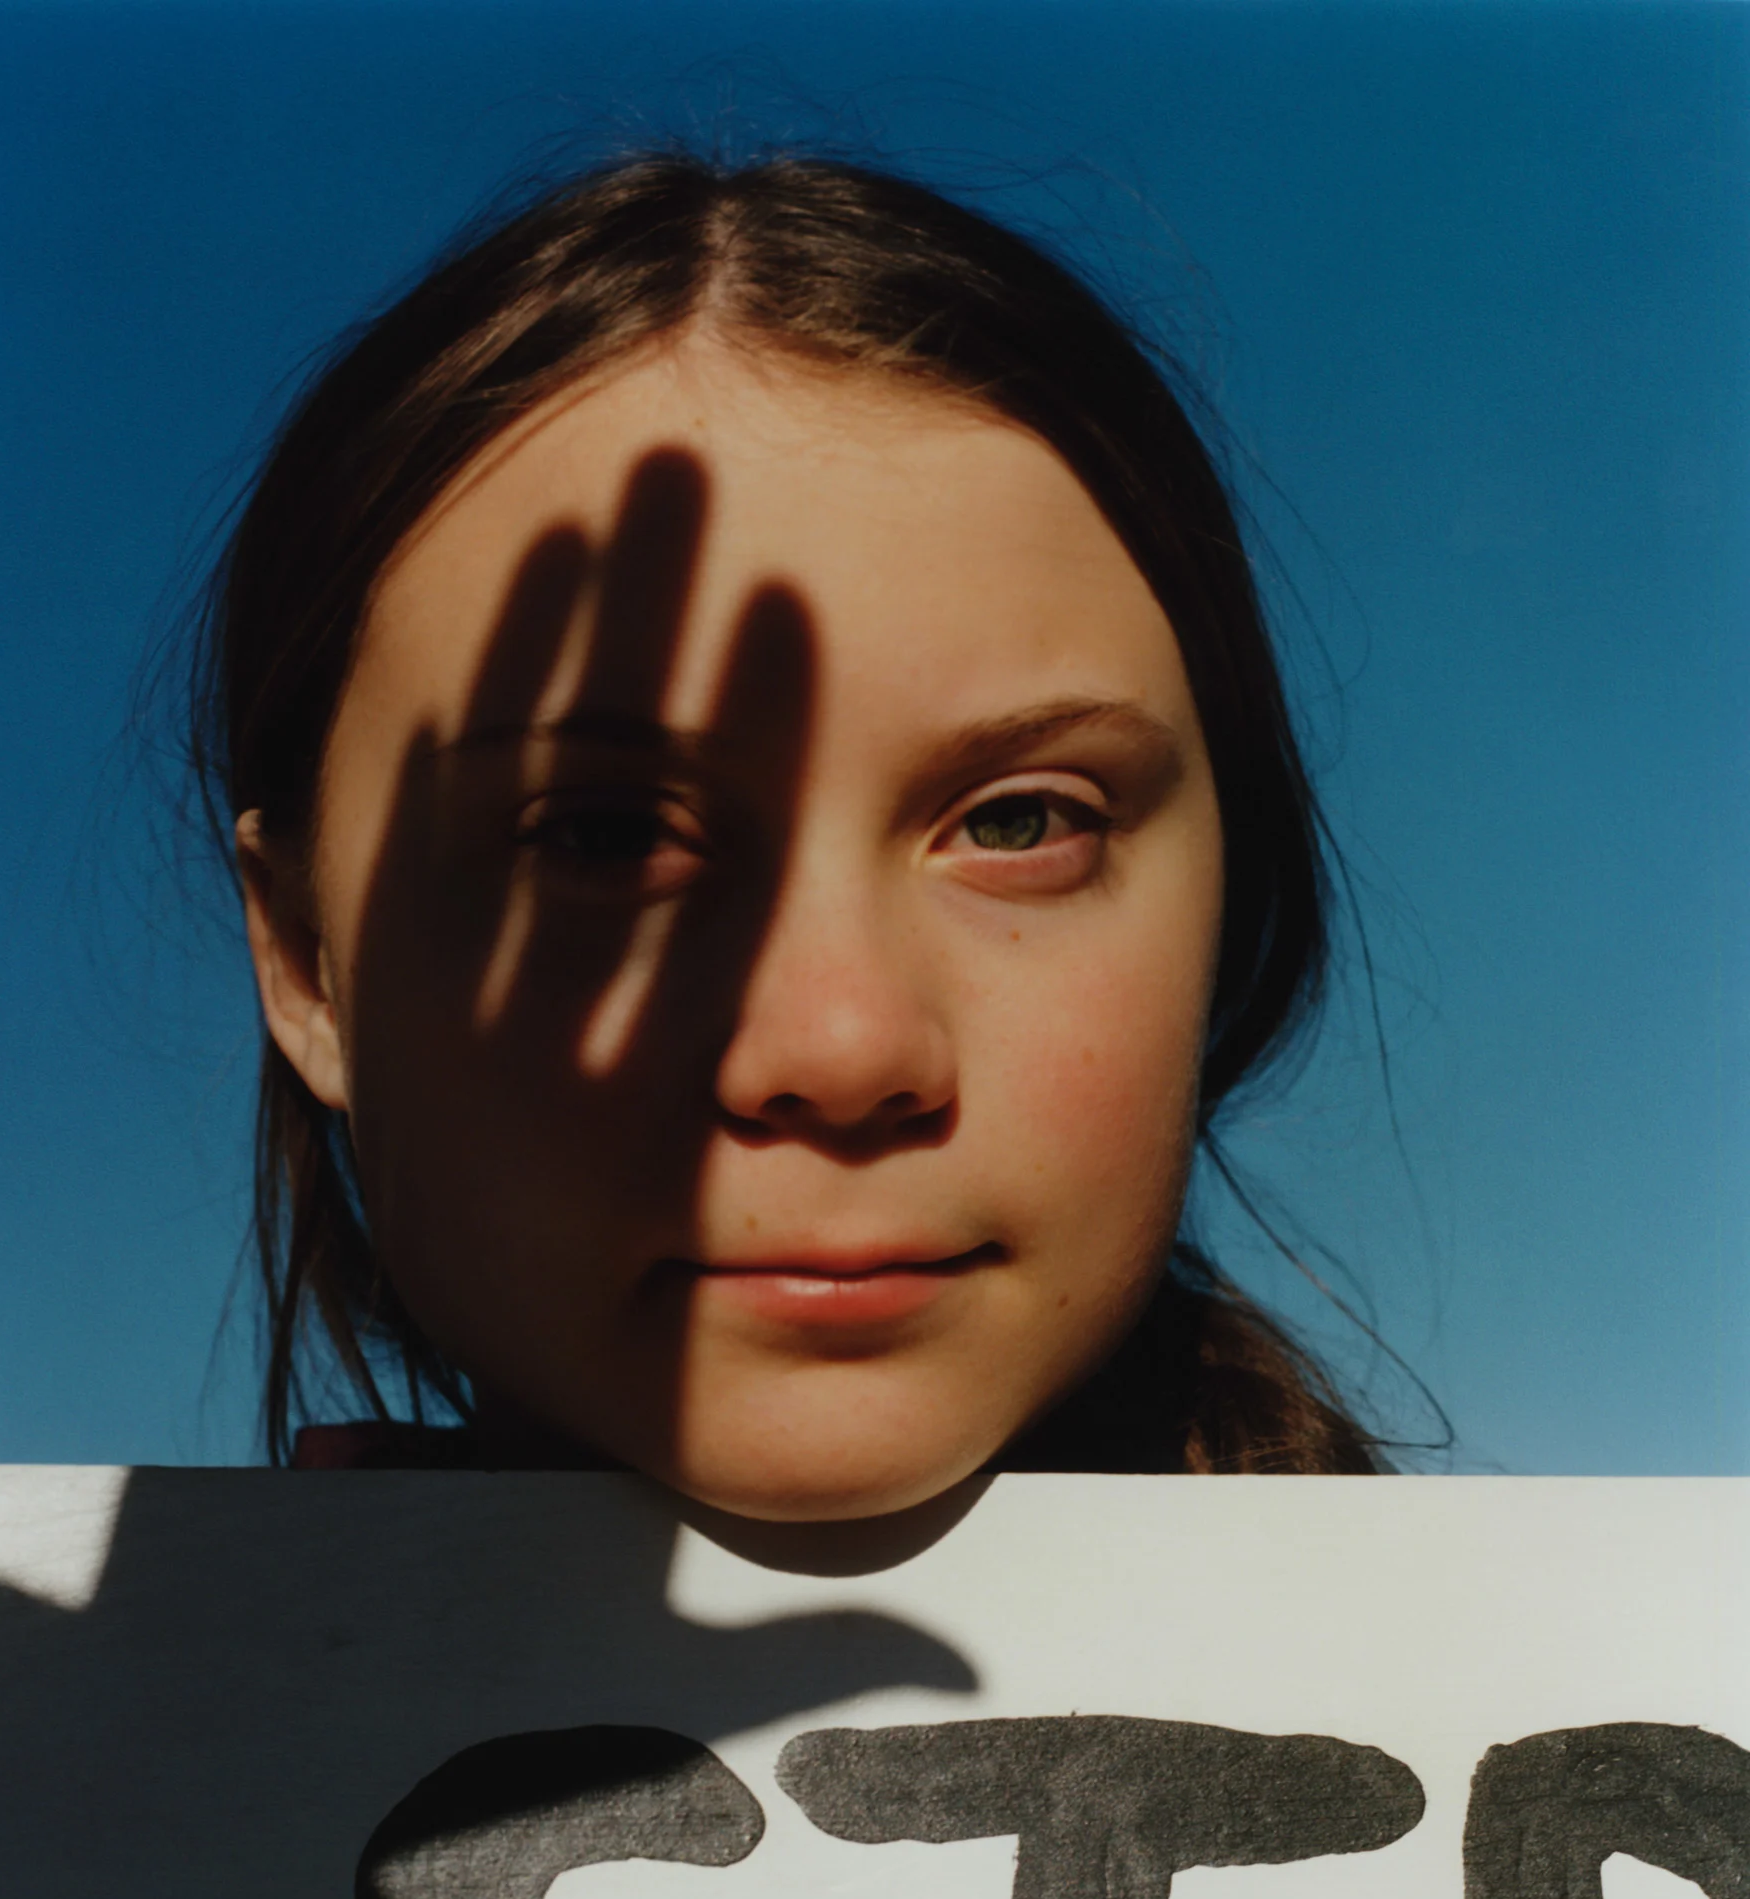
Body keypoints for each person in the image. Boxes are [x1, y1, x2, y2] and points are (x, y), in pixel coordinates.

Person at [189, 149, 1382, 1518]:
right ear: (305, 960)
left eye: (1019, 819)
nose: (842, 1050)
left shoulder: (1577, 1681)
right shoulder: (64, 1725)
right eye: (602, 840)